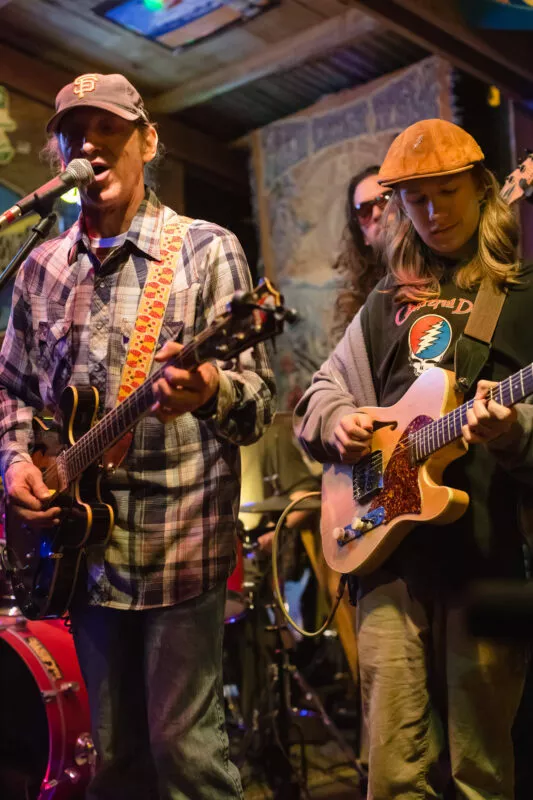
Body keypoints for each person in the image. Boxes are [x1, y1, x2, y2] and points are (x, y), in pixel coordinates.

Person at [0, 73, 276, 800]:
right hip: (80, 551)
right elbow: (14, 394)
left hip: (177, 543)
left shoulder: (205, 252)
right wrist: (12, 467)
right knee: (111, 759)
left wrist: (209, 389)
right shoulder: (39, 267)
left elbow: (256, 404)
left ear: (147, 142)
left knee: (185, 755)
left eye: (109, 129)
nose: (89, 144)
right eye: (73, 133)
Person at [295, 118, 532, 799]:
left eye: (447, 192)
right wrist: (338, 422)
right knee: (393, 771)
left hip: (491, 561)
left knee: (478, 771)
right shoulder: (385, 302)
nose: (432, 212)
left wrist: (513, 432)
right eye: (415, 198)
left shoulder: (522, 295)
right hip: (387, 561)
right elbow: (320, 394)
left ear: (483, 190)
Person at [331, 166, 389, 342]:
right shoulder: (365, 311)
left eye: (385, 200)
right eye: (364, 211)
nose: (377, 213)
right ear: (364, 236)